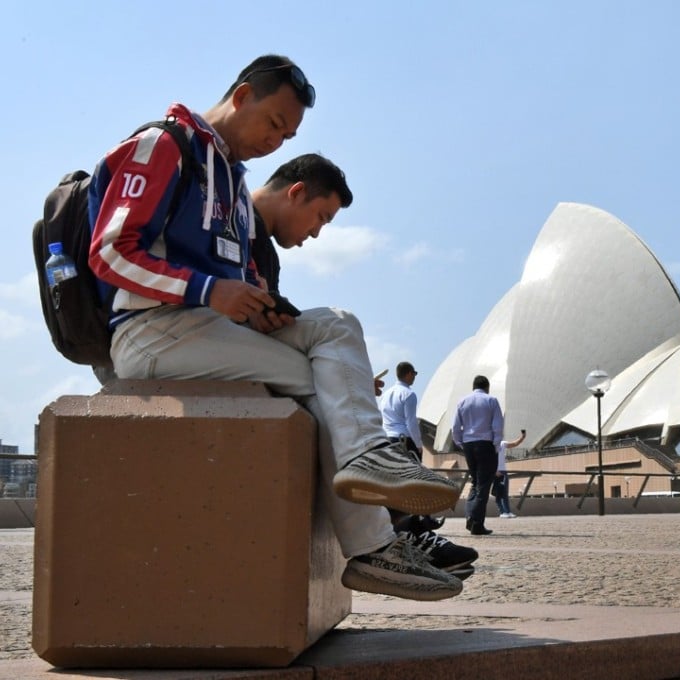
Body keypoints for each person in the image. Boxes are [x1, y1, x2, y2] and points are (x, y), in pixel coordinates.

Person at [88, 59, 462, 601]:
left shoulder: (234, 186)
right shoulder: (165, 145)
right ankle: (373, 547)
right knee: (316, 381)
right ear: (242, 97)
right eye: (273, 123)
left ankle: (367, 461)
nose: (276, 141)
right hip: (151, 330)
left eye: (287, 134)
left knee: (336, 326)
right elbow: (109, 252)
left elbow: (232, 286)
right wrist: (209, 291)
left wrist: (258, 308)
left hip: (205, 326)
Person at [250, 166, 479, 580]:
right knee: (338, 327)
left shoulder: (261, 248)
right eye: (321, 216)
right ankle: (395, 533)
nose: (317, 233)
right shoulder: (226, 215)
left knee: (337, 405)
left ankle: (389, 540)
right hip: (184, 342)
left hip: (245, 354)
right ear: (296, 193)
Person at [452, 375, 504, 536]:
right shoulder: (491, 400)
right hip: (485, 444)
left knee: (475, 482)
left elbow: (455, 427)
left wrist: (461, 443)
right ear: (487, 387)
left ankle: (470, 516)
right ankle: (476, 523)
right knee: (483, 485)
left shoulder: (462, 401)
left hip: (468, 444)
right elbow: (497, 426)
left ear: (473, 386)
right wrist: (495, 446)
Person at [494, 430, 526, 518]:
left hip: (503, 471)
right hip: (494, 472)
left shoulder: (502, 444)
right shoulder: (490, 445)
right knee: (497, 493)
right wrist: (494, 471)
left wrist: (522, 437)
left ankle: (507, 512)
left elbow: (514, 444)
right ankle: (503, 512)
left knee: (504, 492)